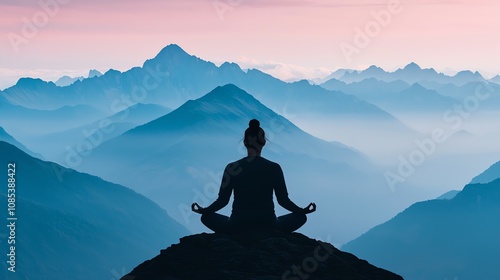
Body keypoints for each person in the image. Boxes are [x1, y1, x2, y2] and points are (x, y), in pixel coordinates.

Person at [192, 119, 316, 234]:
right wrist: (302, 211)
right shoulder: (274, 168)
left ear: (245, 142)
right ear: (264, 142)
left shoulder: (232, 168)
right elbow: (283, 201)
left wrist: (204, 210)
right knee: (301, 217)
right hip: (269, 224)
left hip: (237, 225)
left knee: (206, 218)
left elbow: (223, 201)